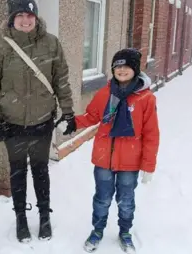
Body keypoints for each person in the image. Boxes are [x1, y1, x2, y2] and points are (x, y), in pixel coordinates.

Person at [0, 0, 75, 242]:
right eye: (20, 15)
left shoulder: (51, 43)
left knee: (41, 170)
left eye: (30, 15)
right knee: (18, 172)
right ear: (12, 18)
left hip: (42, 122)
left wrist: (68, 111)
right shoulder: (0, 46)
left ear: (36, 17)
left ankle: (45, 217)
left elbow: (61, 81)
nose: (25, 20)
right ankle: (21, 218)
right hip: (12, 125)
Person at [61, 48, 160, 253]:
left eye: (126, 66)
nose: (122, 70)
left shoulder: (145, 99)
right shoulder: (105, 93)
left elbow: (151, 134)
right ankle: (97, 230)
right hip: (104, 158)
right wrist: (71, 124)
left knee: (126, 200)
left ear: (134, 69)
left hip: (130, 161)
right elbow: (91, 116)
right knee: (102, 198)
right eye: (118, 66)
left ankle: (125, 232)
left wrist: (148, 166)